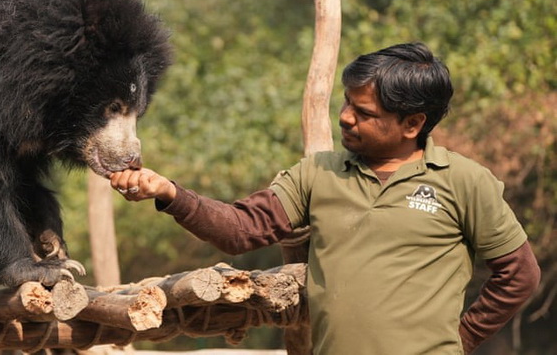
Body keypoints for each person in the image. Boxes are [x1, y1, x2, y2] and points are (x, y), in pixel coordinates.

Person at [110, 42, 540, 354]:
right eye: (347, 103)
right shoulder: (318, 173)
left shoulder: (463, 180)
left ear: (412, 123)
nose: (346, 117)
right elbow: (240, 230)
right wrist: (169, 192)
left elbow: (519, 274)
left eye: (365, 113)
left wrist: (460, 340)